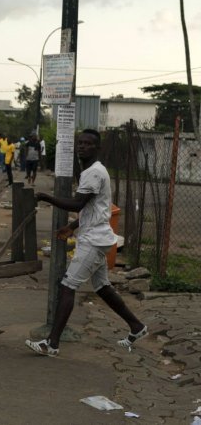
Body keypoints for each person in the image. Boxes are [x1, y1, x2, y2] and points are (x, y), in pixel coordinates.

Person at [26, 129, 147, 357]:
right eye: (80, 143)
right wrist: (72, 227)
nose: (81, 146)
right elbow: (92, 208)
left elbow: (77, 204)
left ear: (97, 148)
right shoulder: (92, 171)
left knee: (68, 286)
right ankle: (136, 326)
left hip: (94, 240)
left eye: (87, 143)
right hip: (96, 236)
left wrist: (46, 197)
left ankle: (52, 343)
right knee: (102, 287)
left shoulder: (94, 173)